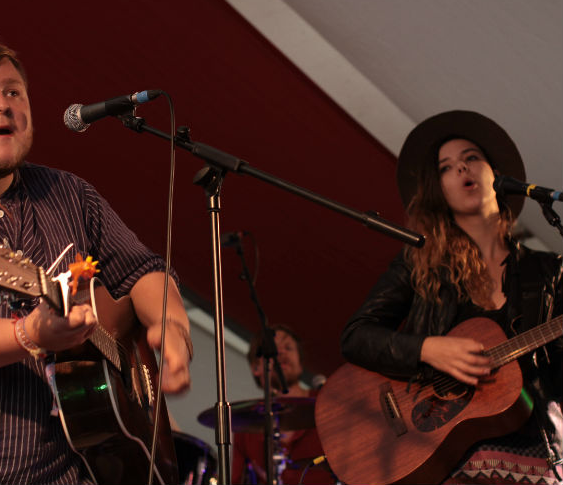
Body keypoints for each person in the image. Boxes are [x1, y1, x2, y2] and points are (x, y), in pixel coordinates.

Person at [0, 29, 192, 484]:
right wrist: (29, 333)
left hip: (85, 471)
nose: (3, 105)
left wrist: (170, 329)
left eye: (13, 91)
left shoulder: (71, 194)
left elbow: (145, 272)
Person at [341, 110, 562, 484]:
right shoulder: (419, 263)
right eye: (447, 166)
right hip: (449, 458)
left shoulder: (549, 271)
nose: (462, 169)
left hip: (538, 455)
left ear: (496, 174)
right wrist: (428, 349)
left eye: (471, 158)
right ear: (438, 188)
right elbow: (356, 336)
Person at [231, 325, 334, 484]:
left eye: (288, 347)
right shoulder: (244, 424)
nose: (281, 352)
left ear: (300, 362)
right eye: (273, 349)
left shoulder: (328, 404)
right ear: (256, 367)